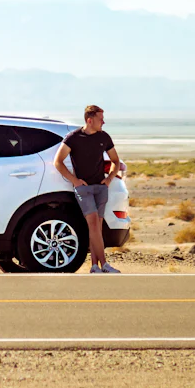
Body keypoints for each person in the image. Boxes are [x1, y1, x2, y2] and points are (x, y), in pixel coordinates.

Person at [54, 105, 123, 274]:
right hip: (84, 190)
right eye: (101, 119)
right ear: (89, 120)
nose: (103, 122)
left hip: (101, 188)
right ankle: (105, 265)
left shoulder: (104, 137)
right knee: (93, 224)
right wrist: (75, 181)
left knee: (97, 228)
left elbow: (116, 160)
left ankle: (94, 266)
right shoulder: (73, 138)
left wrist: (108, 179)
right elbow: (58, 161)